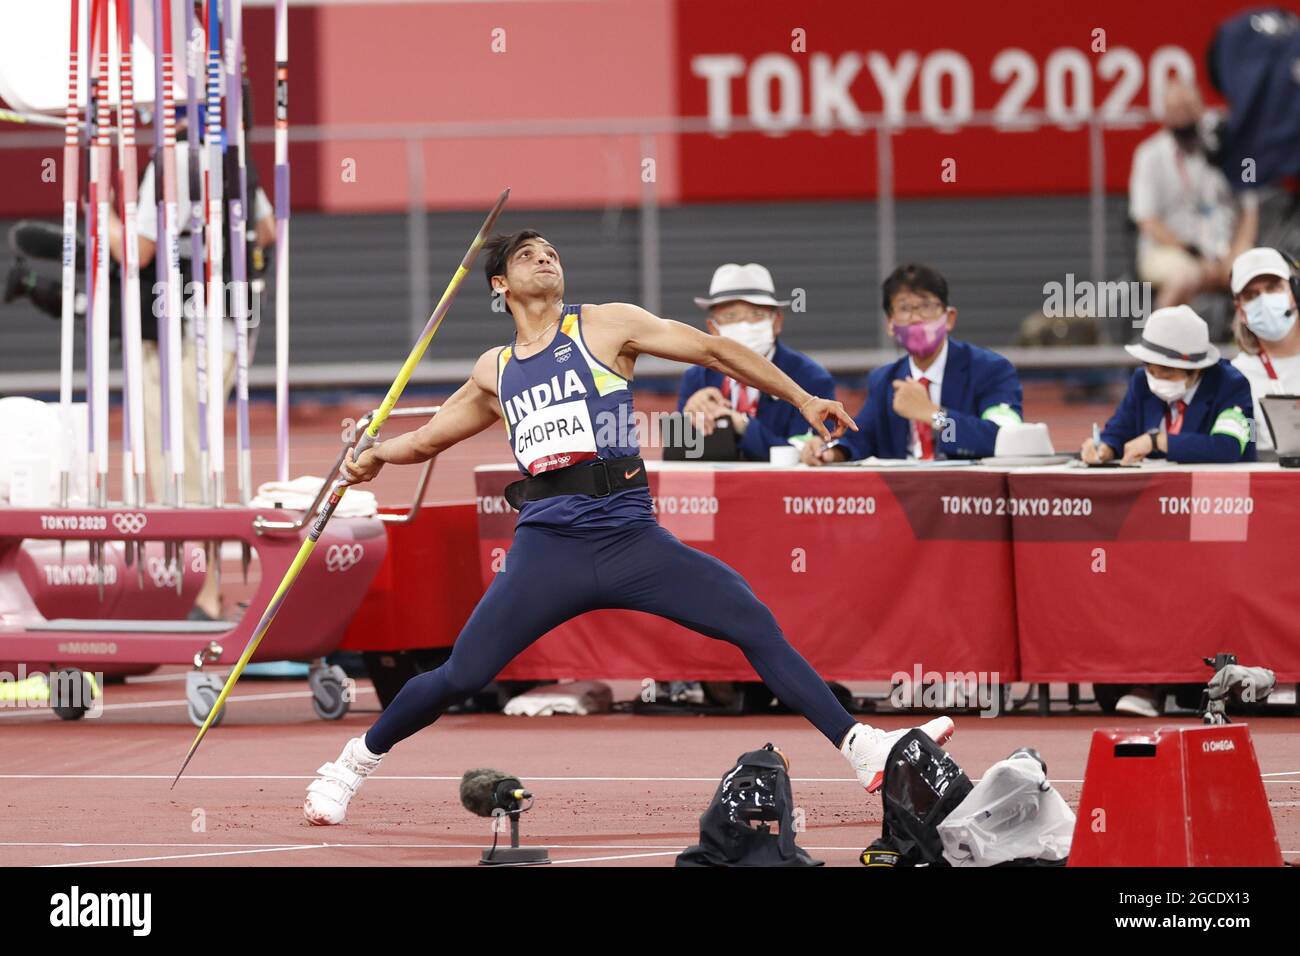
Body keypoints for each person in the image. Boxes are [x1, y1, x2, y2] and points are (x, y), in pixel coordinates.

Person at [301, 230, 955, 825]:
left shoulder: (606, 326)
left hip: (630, 536)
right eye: (527, 255)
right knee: (461, 674)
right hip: (548, 547)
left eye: (553, 251)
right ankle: (353, 764)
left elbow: (711, 348)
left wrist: (803, 398)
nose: (546, 258)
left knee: (748, 619)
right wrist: (375, 452)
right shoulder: (493, 370)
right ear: (499, 285)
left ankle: (861, 747)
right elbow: (428, 437)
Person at [801, 263, 1022, 465]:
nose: (916, 318)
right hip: (906, 496)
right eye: (905, 309)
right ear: (890, 324)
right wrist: (830, 451)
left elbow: (1004, 438)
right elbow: (862, 439)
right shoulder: (885, 379)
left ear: (949, 317)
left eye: (926, 306)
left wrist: (934, 415)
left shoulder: (991, 370)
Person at [677, 263, 835, 460]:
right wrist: (685, 422)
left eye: (757, 315)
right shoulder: (696, 379)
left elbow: (810, 455)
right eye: (730, 316)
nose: (745, 326)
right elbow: (682, 458)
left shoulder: (811, 379)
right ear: (713, 328)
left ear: (777, 322)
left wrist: (742, 424)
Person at [1128, 78, 1258, 310]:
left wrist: (1238, 250)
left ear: (1201, 108)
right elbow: (1147, 220)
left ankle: (1249, 340)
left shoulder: (1235, 152)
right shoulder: (1149, 155)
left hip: (1226, 251)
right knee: (1185, 276)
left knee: (1253, 274)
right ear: (1164, 115)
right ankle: (1160, 339)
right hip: (1173, 252)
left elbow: (1249, 208)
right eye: (1174, 110)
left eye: (1187, 109)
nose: (1182, 117)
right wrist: (1195, 255)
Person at [1080, 304, 1255, 466]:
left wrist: (1157, 441)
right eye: (1149, 366)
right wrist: (1104, 448)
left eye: (1166, 371)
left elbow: (1227, 447)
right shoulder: (1142, 380)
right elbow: (1119, 429)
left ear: (1197, 370)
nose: (1156, 378)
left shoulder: (1231, 385)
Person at [1228, 247, 1300, 452]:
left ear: (1295, 292)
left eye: (1273, 287)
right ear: (1240, 309)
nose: (1264, 301)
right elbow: (1242, 448)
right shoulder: (1235, 376)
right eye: (1251, 294)